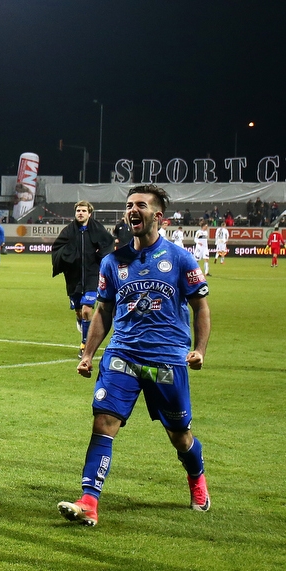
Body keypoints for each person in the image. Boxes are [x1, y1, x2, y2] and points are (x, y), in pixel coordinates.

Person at [58, 184, 211, 527]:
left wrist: (198, 349)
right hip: (122, 355)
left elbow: (201, 307)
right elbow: (103, 311)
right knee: (103, 423)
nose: (132, 210)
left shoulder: (180, 259)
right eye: (129, 205)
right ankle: (89, 501)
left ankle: (196, 476)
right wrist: (88, 353)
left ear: (158, 216)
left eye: (140, 205)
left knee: (179, 435)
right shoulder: (114, 261)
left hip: (167, 361)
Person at [51, 201, 115, 359]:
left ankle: (84, 344)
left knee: (87, 309)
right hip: (74, 277)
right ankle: (81, 322)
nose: (80, 213)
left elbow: (109, 244)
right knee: (80, 311)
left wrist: (101, 258)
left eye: (83, 211)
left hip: (93, 275)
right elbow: (58, 248)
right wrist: (69, 257)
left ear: (89, 213)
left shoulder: (97, 229)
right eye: (78, 210)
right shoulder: (68, 231)